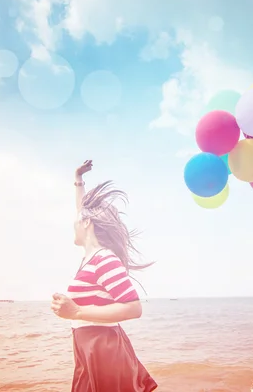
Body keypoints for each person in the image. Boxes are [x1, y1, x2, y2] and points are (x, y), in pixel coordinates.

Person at [50, 160, 158, 392]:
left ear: (87, 223)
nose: (74, 223)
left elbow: (133, 308)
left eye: (79, 220)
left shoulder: (104, 259)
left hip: (103, 351)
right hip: (88, 349)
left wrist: (77, 312)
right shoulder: (90, 257)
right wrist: (78, 180)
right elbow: (82, 211)